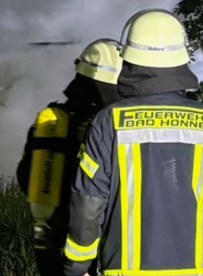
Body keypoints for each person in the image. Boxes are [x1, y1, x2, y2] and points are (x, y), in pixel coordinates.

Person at [63, 9, 203, 276]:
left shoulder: (108, 123)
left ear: (128, 60)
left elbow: (88, 205)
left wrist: (76, 267)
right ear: (182, 60)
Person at [16, 38, 124, 276]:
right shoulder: (107, 126)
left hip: (49, 239)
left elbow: (25, 177)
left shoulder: (52, 120)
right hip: (90, 247)